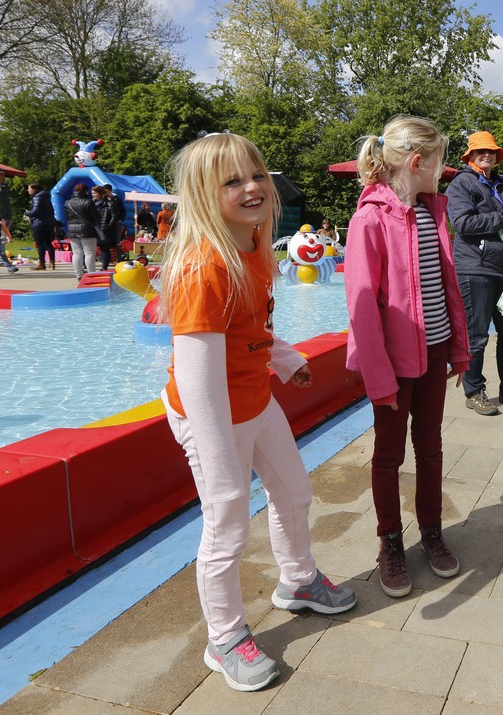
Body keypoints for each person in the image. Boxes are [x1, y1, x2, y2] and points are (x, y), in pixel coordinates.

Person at [160, 132, 355, 693]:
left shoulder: (253, 245)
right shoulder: (204, 267)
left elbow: (254, 327)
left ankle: (298, 580)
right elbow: (197, 380)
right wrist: (221, 456)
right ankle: (223, 637)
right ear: (205, 195)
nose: (252, 188)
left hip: (253, 400)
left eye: (256, 175)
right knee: (226, 525)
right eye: (232, 181)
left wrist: (286, 359)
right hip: (209, 417)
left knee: (294, 492)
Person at [345, 115, 471, 598]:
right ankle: (390, 542)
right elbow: (362, 310)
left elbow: (446, 286)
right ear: (417, 163)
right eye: (440, 162)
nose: (444, 171)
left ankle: (431, 532)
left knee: (430, 447)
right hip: (393, 364)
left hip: (434, 353)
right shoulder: (370, 220)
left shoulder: (432, 211)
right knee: (389, 455)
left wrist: (458, 350)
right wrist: (379, 379)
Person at [446, 130, 503, 416]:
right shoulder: (461, 183)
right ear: (470, 156)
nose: (486, 155)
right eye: (480, 151)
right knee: (477, 335)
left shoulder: (502, 184)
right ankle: (474, 391)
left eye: (490, 151)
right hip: (474, 267)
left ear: (497, 156)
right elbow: (462, 224)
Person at [63, 184, 99, 279]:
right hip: (87, 229)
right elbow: (95, 216)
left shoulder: (67, 203)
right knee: (89, 253)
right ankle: (92, 273)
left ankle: (78, 274)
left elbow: (67, 216)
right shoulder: (89, 202)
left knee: (76, 253)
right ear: (86, 191)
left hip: (72, 229)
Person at [25, 182, 56, 270]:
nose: (28, 190)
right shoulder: (47, 197)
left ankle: (42, 263)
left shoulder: (37, 197)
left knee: (40, 244)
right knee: (48, 243)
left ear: (34, 189)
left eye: (29, 188)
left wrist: (27, 213)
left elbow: (35, 211)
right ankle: (52, 263)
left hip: (39, 223)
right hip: (48, 223)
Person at [95, 185, 123, 269]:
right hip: (98, 227)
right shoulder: (94, 203)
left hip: (109, 226)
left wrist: (118, 220)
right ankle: (103, 261)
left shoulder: (115, 200)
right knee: (102, 246)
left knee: (112, 244)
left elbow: (118, 213)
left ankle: (117, 259)